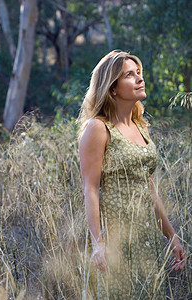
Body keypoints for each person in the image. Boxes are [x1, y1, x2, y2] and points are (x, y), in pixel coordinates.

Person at [77, 50, 186, 299]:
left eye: (139, 73)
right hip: (116, 235)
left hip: (145, 235)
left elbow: (149, 189)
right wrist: (98, 244)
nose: (139, 79)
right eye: (129, 74)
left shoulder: (141, 127)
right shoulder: (98, 128)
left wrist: (172, 237)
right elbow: (90, 189)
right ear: (112, 88)